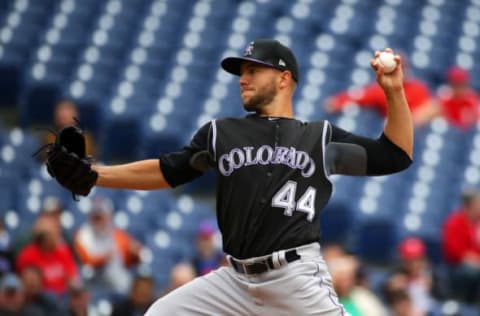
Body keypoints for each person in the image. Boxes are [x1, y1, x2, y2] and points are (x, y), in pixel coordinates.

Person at [54, 39, 413, 314]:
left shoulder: (319, 137)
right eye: (241, 71)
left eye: (253, 70)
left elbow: (395, 155)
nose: (243, 78)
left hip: (295, 278)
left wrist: (394, 92)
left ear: (284, 78)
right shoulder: (219, 133)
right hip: (235, 279)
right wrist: (96, 175)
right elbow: (167, 171)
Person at [324, 52, 436, 127]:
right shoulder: (382, 90)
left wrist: (415, 119)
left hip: (417, 131)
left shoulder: (418, 88)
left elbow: (431, 110)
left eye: (401, 69)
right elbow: (358, 97)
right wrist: (337, 102)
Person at [73, 197, 142, 294]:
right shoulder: (82, 235)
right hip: (94, 281)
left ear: (108, 216)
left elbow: (131, 255)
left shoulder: (116, 234)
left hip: (117, 283)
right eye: (95, 217)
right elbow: (86, 260)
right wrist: (104, 258)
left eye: (101, 217)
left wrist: (136, 254)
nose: (98, 221)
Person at [16, 216, 79, 296]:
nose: (58, 238)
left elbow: (72, 278)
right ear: (43, 238)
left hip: (63, 297)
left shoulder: (63, 251)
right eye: (54, 235)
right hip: (39, 298)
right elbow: (25, 285)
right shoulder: (28, 255)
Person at [442, 189, 480, 303]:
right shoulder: (455, 221)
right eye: (477, 204)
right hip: (457, 266)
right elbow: (454, 251)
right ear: (469, 205)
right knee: (470, 271)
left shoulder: (477, 223)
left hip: (476, 263)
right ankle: (460, 301)